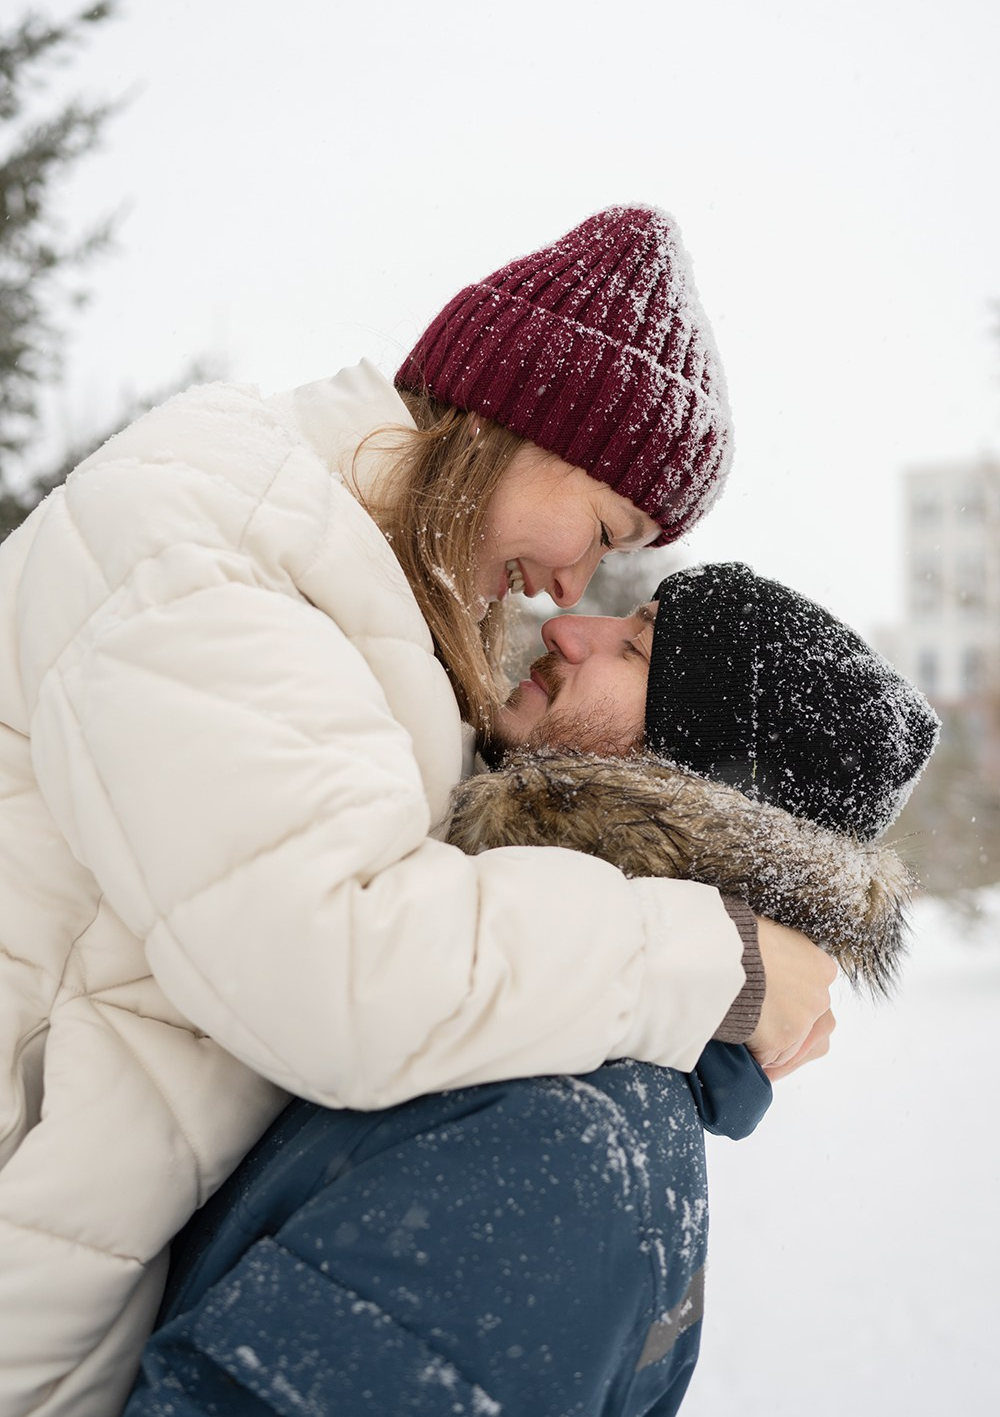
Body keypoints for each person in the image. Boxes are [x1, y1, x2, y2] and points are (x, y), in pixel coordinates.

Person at [0, 208, 835, 1416]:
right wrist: (720, 963)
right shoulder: (208, 542)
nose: (570, 592)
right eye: (603, 531)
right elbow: (338, 964)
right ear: (526, 420)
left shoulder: (355, 602)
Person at [124, 563, 938, 1417]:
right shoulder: (509, 997)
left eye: (635, 650)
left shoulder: (563, 1133)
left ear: (693, 783)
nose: (565, 628)